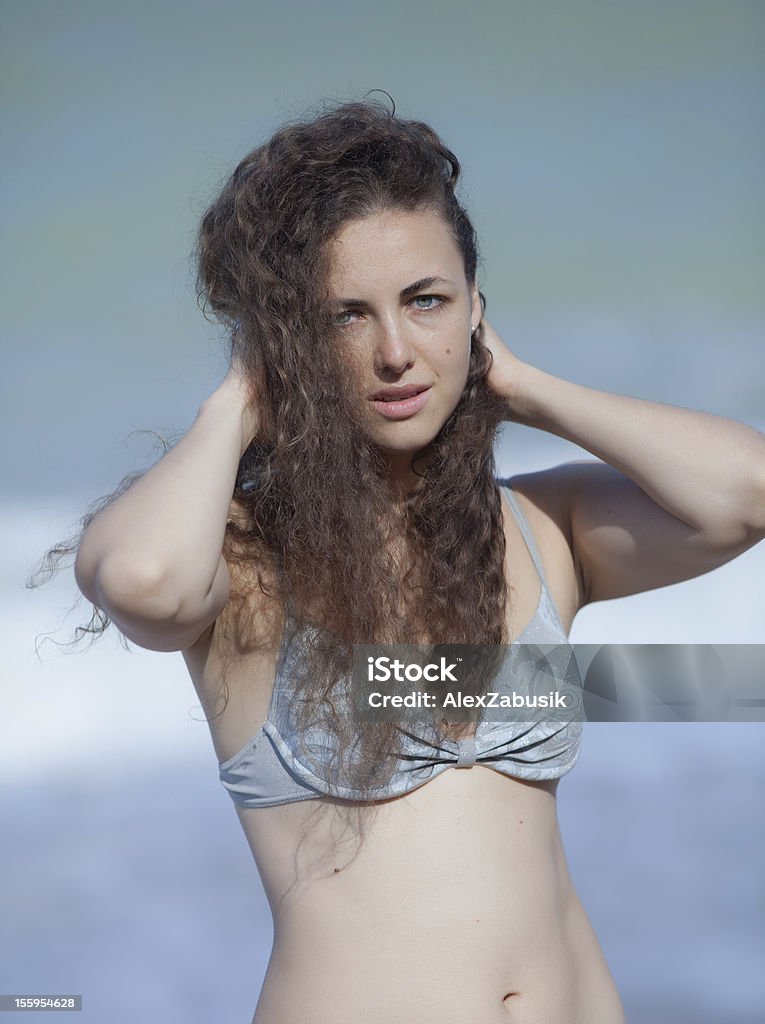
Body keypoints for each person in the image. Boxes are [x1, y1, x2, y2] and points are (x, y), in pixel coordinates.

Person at [51, 96, 765, 1023]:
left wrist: (527, 388)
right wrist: (237, 396)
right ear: (292, 343)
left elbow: (744, 493)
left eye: (425, 301)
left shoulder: (540, 529)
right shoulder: (243, 562)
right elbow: (145, 586)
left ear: (475, 307)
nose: (396, 351)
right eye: (345, 316)